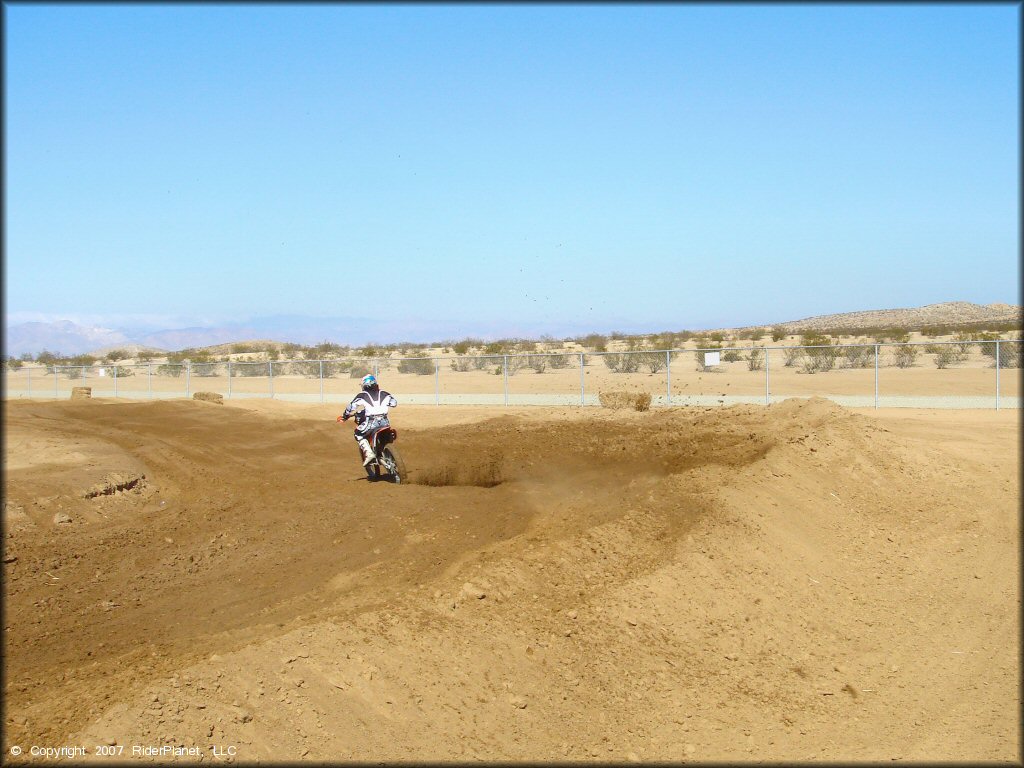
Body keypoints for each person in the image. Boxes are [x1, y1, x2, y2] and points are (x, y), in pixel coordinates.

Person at [338, 374, 398, 467]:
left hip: (371, 422)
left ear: (365, 385)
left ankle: (369, 454)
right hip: (385, 422)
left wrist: (345, 416)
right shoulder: (384, 393)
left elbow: (351, 407)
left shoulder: (362, 395)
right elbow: (394, 403)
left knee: (358, 433)